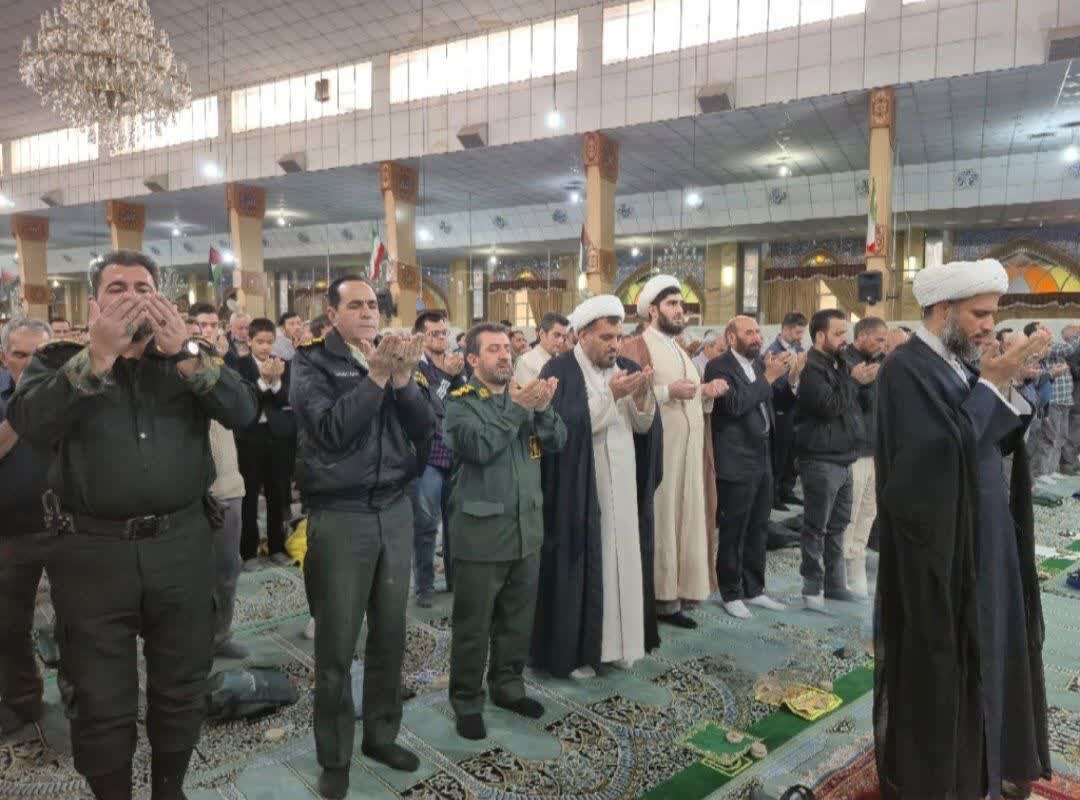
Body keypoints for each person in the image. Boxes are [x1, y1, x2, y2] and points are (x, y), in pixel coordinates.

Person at [6, 250, 257, 800]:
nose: (133, 296)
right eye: (117, 288)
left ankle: (170, 789)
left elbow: (242, 411)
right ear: (95, 303)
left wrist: (187, 353)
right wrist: (97, 357)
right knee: (98, 695)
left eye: (144, 286)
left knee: (181, 683)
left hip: (181, 545)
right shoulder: (59, 361)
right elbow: (31, 421)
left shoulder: (188, 358)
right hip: (92, 553)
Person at [874, 259, 1051, 800]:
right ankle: (950, 779)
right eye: (979, 314)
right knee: (950, 659)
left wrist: (1002, 383)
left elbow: (989, 437)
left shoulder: (955, 364)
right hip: (942, 548)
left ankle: (991, 762)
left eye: (991, 314)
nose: (987, 325)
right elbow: (935, 455)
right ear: (943, 309)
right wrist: (991, 384)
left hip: (984, 533)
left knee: (996, 645)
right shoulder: (906, 369)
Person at [290, 276, 435, 798]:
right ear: (332, 314)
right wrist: (375, 377)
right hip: (341, 515)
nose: (369, 312)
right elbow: (331, 430)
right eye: (355, 305)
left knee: (391, 634)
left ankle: (381, 735)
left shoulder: (397, 358)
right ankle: (334, 756)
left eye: (373, 304)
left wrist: (402, 380)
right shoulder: (311, 363)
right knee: (336, 644)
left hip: (393, 510)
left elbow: (425, 427)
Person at [444, 323, 566, 738]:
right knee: (473, 626)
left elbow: (558, 441)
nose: (503, 355)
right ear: (473, 359)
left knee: (517, 619)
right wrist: (518, 408)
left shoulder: (524, 396)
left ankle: (508, 686)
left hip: (526, 529)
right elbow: (479, 447)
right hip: (481, 535)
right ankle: (466, 700)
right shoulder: (460, 402)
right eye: (493, 349)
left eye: (505, 349)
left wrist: (543, 408)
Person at [534, 295, 663, 678]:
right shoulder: (559, 370)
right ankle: (583, 652)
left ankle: (623, 645)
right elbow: (563, 429)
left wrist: (642, 396)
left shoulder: (627, 367)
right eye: (606, 338)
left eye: (618, 337)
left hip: (623, 485)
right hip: (582, 489)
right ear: (582, 335)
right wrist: (613, 396)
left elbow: (643, 427)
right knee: (591, 564)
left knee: (625, 561)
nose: (615, 345)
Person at [620, 275, 728, 628]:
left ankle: (681, 592)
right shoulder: (637, 346)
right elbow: (626, 398)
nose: (680, 310)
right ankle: (659, 598)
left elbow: (689, 396)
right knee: (663, 522)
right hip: (658, 456)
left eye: (681, 304)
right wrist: (667, 392)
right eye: (672, 304)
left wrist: (705, 392)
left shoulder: (680, 349)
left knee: (687, 519)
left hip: (690, 453)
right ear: (652, 311)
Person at [704, 316, 791, 619]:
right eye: (749, 332)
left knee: (759, 526)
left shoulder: (758, 365)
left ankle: (754, 588)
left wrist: (785, 377)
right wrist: (768, 377)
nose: (757, 337)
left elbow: (770, 400)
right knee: (734, 529)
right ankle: (730, 592)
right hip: (736, 458)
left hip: (762, 455)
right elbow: (736, 405)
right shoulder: (719, 367)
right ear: (731, 337)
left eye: (758, 332)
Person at [793, 309, 874, 610]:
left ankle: (835, 585)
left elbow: (853, 405)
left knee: (839, 525)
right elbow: (828, 406)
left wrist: (860, 382)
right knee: (816, 526)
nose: (845, 340)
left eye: (845, 333)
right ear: (820, 336)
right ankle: (812, 587)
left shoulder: (838, 363)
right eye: (839, 333)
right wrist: (853, 382)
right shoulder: (811, 368)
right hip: (820, 458)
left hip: (843, 457)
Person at [187, 302, 250, 659]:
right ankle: (188, 643)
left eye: (213, 324)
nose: (207, 331)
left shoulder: (223, 365)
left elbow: (242, 407)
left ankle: (219, 635)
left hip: (227, 486)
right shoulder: (173, 366)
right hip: (185, 492)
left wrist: (220, 362)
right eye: (201, 325)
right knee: (186, 575)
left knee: (228, 569)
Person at [0, 318, 53, 736]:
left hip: (70, 527)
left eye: (40, 355)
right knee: (8, 623)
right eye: (20, 355)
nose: (30, 363)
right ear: (5, 357)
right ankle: (22, 699)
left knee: (82, 622)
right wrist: (24, 406)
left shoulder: (74, 396)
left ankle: (85, 699)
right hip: (11, 530)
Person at [412, 310, 468, 606]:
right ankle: (424, 586)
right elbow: (429, 407)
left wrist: (457, 376)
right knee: (426, 525)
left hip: (455, 455)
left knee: (456, 524)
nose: (441, 338)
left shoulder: (455, 364)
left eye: (444, 332)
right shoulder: (415, 368)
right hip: (428, 458)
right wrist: (446, 376)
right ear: (421, 337)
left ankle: (455, 579)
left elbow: (466, 401)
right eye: (434, 333)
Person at [232, 318, 297, 570]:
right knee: (249, 497)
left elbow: (286, 399)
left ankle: (277, 547)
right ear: (249, 341)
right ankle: (248, 552)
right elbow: (243, 400)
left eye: (270, 342)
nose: (265, 347)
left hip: (277, 437)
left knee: (277, 494)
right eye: (260, 341)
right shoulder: (239, 365)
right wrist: (262, 381)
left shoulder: (283, 364)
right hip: (249, 437)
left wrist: (276, 381)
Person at [838, 317, 886, 598]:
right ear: (863, 335)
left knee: (869, 511)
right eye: (878, 339)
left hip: (875, 449)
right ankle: (841, 568)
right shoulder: (843, 362)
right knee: (850, 512)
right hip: (853, 450)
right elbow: (839, 403)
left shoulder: (879, 362)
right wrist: (858, 382)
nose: (882, 345)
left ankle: (856, 560)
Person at [1023, 321, 1080, 477]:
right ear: (1033, 334)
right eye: (1042, 328)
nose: (1047, 330)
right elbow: (1069, 349)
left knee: (1061, 436)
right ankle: (1042, 472)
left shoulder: (1052, 346)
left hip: (1064, 399)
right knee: (1049, 437)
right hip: (1053, 399)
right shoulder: (1044, 349)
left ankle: (1051, 469)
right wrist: (1077, 335)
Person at [766, 311, 807, 510]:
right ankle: (773, 495)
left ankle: (787, 490)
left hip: (796, 408)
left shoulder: (800, 349)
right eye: (798, 332)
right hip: (780, 407)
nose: (801, 336)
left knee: (792, 453)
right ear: (786, 330)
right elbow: (773, 382)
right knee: (779, 453)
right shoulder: (772, 352)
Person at [514, 312, 569, 384]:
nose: (561, 341)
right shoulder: (526, 362)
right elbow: (527, 391)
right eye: (556, 335)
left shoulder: (564, 361)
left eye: (563, 337)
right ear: (542, 334)